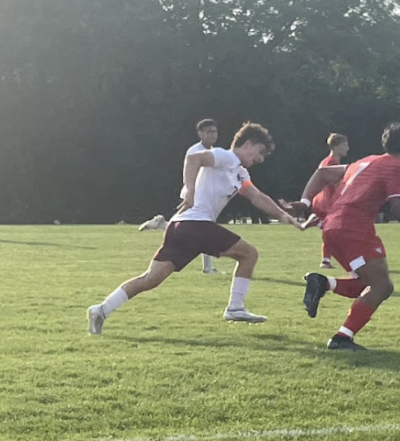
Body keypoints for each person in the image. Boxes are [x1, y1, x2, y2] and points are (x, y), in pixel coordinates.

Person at [88, 123, 296, 335]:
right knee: (249, 254)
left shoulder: (240, 173)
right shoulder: (226, 157)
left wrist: (282, 214)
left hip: (180, 226)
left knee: (151, 279)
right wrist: (189, 190)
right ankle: (235, 308)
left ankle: (101, 310)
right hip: (196, 224)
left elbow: (256, 196)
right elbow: (193, 158)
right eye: (260, 152)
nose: (260, 159)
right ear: (248, 144)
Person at [294, 123, 400, 351]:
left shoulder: (364, 162)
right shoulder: (396, 167)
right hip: (353, 230)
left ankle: (323, 283)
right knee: (382, 286)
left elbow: (323, 173)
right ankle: (341, 339)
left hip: (332, 228)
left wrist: (305, 202)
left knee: (367, 283)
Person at [301, 133, 349, 268]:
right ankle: (316, 221)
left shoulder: (327, 161)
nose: (348, 148)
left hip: (323, 201)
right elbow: (334, 183)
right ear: (337, 146)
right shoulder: (332, 162)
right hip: (327, 202)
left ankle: (326, 261)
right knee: (337, 231)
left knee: (330, 232)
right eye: (345, 144)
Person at [184, 119, 222, 274]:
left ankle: (208, 267)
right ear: (200, 133)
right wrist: (191, 193)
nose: (212, 135)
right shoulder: (195, 151)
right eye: (209, 132)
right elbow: (189, 175)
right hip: (197, 195)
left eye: (214, 131)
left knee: (203, 230)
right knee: (195, 229)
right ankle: (160, 224)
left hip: (207, 195)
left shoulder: (214, 151)